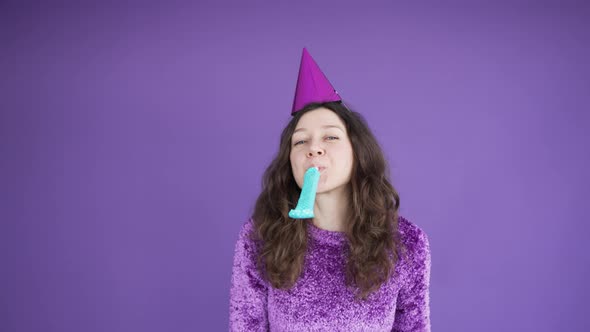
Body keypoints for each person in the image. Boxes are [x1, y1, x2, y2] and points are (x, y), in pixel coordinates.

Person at [229, 48, 431, 331]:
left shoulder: (405, 243)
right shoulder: (261, 237)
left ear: (358, 152)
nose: (314, 148)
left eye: (331, 136)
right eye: (300, 142)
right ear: (290, 161)